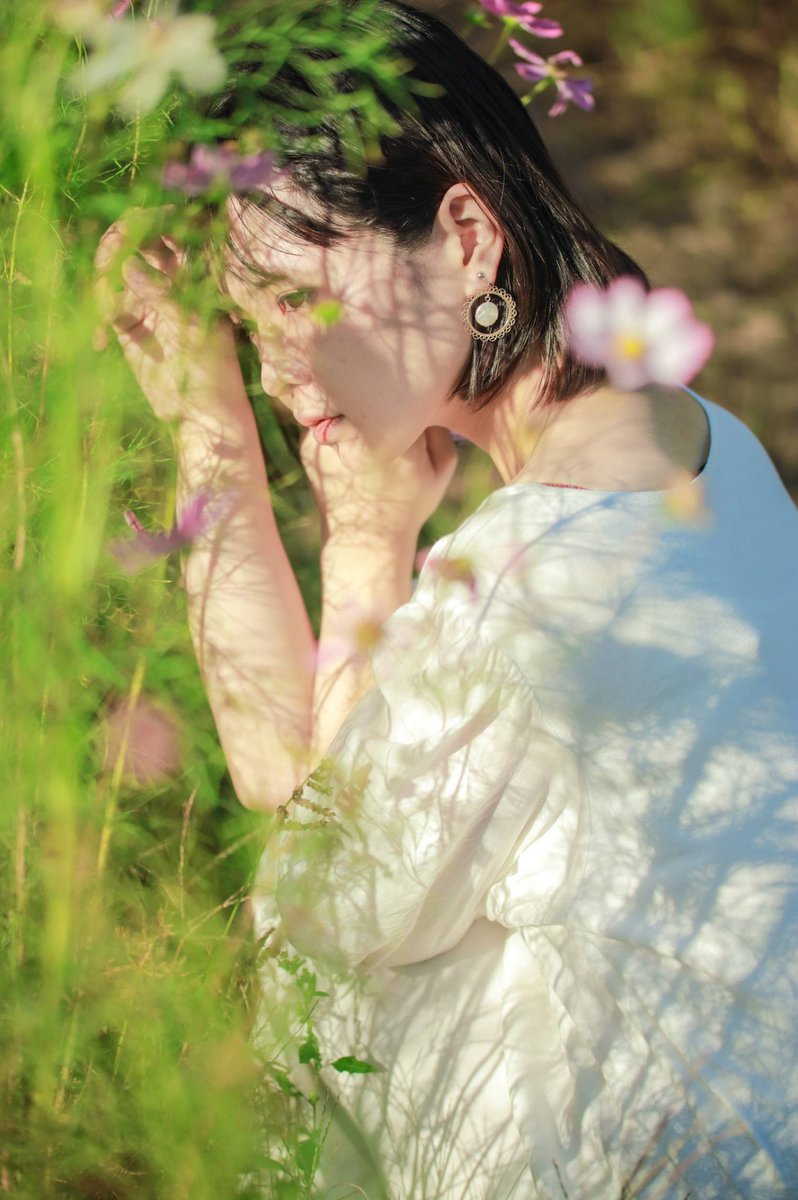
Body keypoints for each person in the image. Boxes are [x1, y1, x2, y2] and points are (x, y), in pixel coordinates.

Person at [97, 1, 798, 1196]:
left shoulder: (534, 576)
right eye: (248, 330)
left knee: (329, 986)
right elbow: (314, 783)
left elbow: (311, 877)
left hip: (652, 1166)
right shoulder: (702, 438)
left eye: (296, 301)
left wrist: (349, 535)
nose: (278, 372)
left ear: (468, 237)